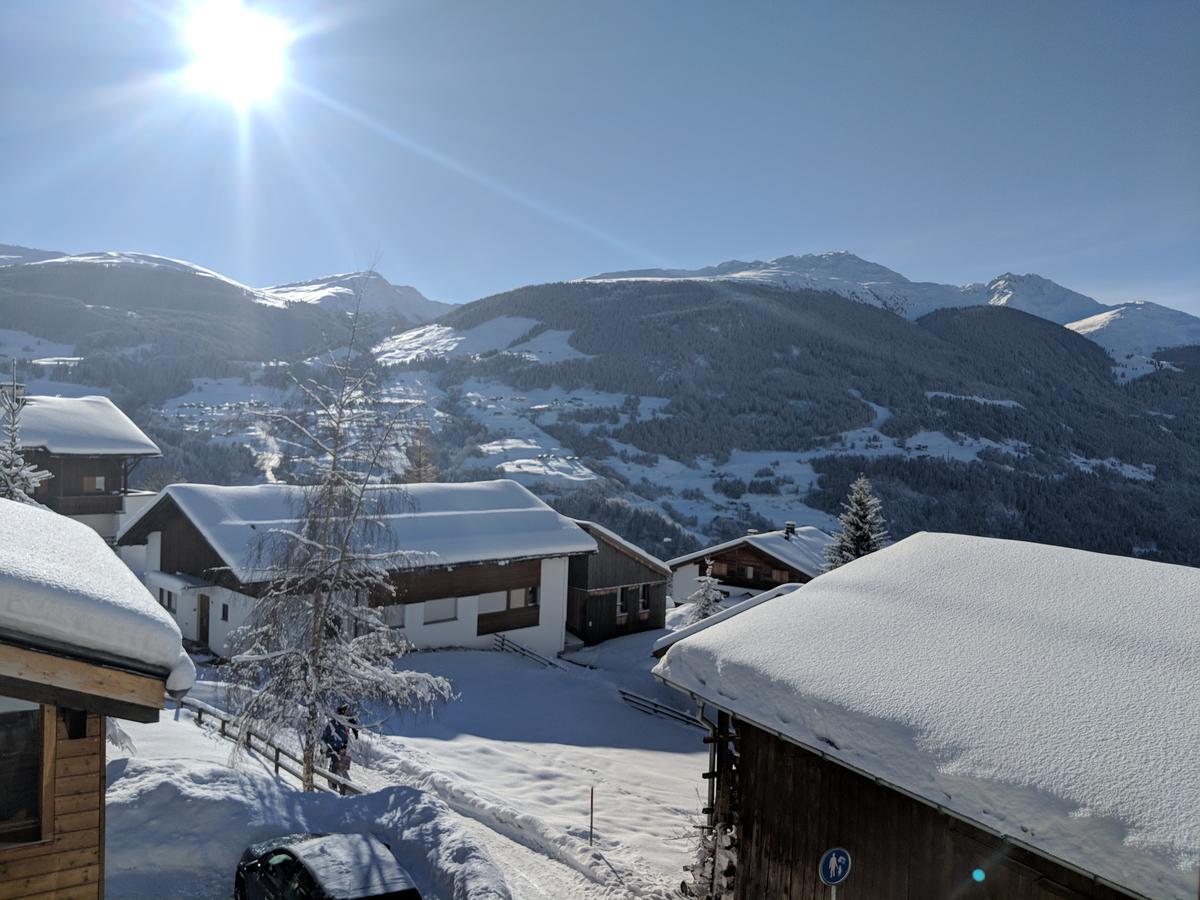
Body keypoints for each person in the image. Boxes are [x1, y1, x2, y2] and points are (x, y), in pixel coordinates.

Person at [320, 704, 358, 793]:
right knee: (334, 767)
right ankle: (332, 788)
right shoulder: (333, 723)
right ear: (342, 712)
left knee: (342, 768)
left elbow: (349, 729)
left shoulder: (345, 723)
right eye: (346, 711)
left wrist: (345, 746)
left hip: (342, 749)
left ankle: (343, 789)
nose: (348, 713)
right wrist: (324, 747)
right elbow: (324, 736)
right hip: (333, 749)